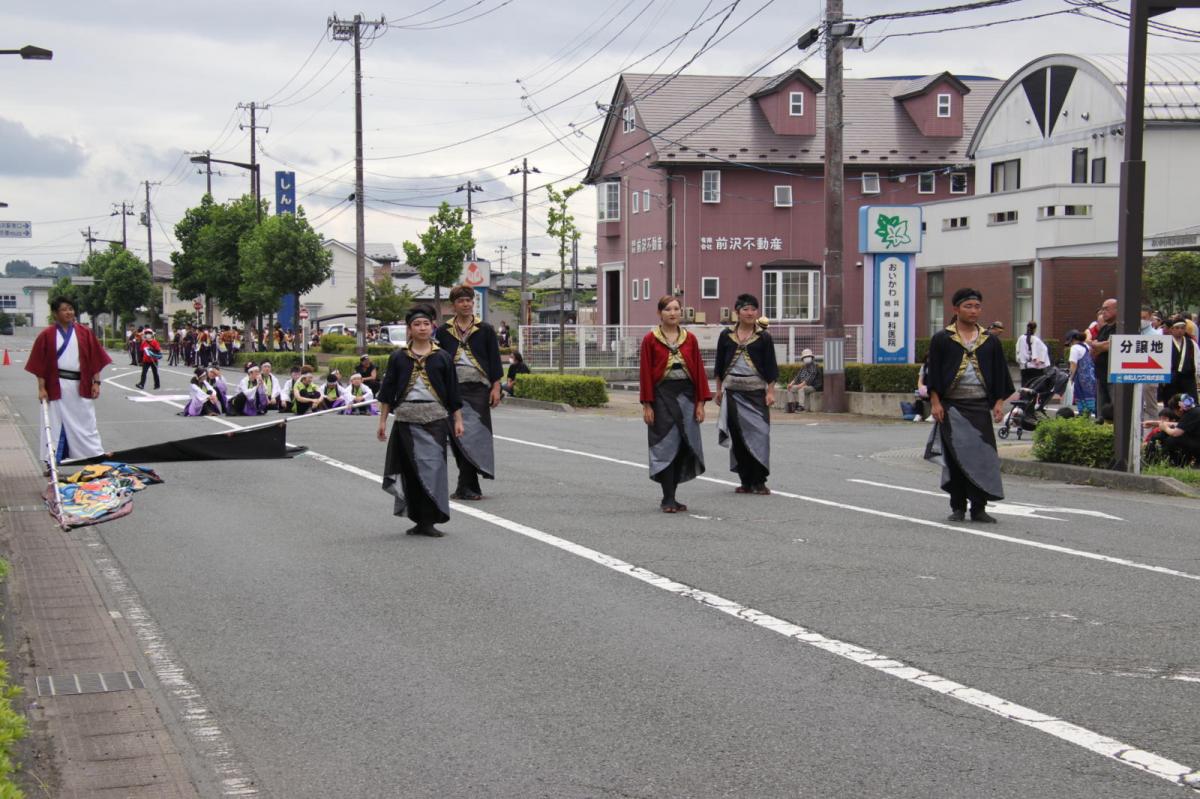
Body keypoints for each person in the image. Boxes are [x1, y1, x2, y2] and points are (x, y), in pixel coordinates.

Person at [924, 287, 1014, 524]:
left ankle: (979, 507)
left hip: (979, 406)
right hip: (952, 406)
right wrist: (935, 402)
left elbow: (1000, 373)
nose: (974, 311)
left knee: (982, 457)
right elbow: (933, 373)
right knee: (956, 458)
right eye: (968, 306)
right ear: (956, 309)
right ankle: (958, 506)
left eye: (977, 306)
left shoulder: (990, 341)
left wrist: (998, 403)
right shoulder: (943, 339)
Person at [377, 304, 464, 537]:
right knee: (411, 471)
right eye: (417, 324)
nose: (422, 328)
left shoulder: (442, 357)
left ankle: (431, 518)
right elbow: (387, 392)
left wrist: (458, 420)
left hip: (435, 419)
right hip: (406, 420)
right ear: (409, 329)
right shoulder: (398, 357)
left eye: (426, 324)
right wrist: (383, 422)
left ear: (432, 327)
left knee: (434, 469)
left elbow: (453, 393)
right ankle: (418, 520)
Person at [639, 295, 711, 513]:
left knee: (683, 446)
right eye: (668, 309)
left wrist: (700, 403)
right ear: (660, 313)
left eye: (676, 309)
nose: (672, 313)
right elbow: (645, 374)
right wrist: (647, 405)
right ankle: (667, 497)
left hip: (687, 397)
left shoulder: (690, 339)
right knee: (665, 445)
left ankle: (673, 495)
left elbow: (698, 371)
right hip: (662, 397)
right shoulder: (650, 339)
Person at [435, 285, 503, 501]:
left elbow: (494, 360)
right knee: (456, 437)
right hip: (452, 389)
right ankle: (467, 485)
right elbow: (436, 361)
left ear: (473, 303)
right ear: (453, 305)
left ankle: (468, 486)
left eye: (469, 300)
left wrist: (496, 387)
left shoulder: (485, 329)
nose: (466, 304)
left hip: (478, 389)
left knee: (475, 436)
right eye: (461, 301)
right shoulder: (444, 331)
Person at [26, 296, 112, 464]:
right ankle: (52, 460)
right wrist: (41, 388)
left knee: (86, 421)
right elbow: (40, 365)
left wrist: (96, 382)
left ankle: (93, 455)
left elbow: (94, 359)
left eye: (71, 309)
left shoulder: (85, 332)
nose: (69, 312)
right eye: (64, 309)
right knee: (54, 423)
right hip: (56, 385)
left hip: (81, 385)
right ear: (55, 313)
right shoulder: (46, 335)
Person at [714, 294, 778, 495]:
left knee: (761, 435)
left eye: (753, 309)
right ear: (737, 312)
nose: (750, 313)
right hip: (733, 392)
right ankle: (746, 480)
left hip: (756, 393)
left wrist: (770, 392)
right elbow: (719, 364)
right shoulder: (726, 336)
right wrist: (718, 390)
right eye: (746, 309)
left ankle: (759, 480)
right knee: (739, 438)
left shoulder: (764, 337)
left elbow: (771, 367)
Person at [1143, 393, 1200, 466]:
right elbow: (1180, 425)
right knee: (1160, 435)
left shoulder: (1191, 414)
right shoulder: (1195, 410)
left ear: (1179, 409)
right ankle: (1152, 461)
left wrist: (1165, 428)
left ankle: (1157, 462)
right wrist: (1155, 423)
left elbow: (1176, 433)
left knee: (1171, 440)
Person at [1088, 298, 1117, 419]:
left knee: (1115, 407)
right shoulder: (1104, 328)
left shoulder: (1120, 327)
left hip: (1114, 375)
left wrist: (1095, 344)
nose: (1103, 312)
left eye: (1106, 309)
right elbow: (1094, 350)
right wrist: (1098, 346)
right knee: (1101, 411)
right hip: (1101, 374)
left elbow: (1108, 345)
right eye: (1102, 309)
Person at [1159, 315, 1198, 405]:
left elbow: (1197, 359)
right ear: (1171, 329)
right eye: (1177, 328)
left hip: (1188, 378)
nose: (1180, 330)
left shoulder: (1191, 343)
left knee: (1191, 404)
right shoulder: (1165, 343)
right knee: (1171, 404)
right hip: (1171, 379)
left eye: (1182, 328)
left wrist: (1197, 374)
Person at [1066, 329, 1097, 417]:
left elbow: (1073, 364)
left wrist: (1070, 378)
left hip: (1081, 378)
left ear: (1072, 340)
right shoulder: (1086, 346)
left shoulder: (1074, 348)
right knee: (1091, 398)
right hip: (1091, 376)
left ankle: (1084, 417)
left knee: (1082, 400)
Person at [1015, 321, 1050, 387]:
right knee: (1035, 387)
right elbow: (1044, 350)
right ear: (1035, 329)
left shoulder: (1021, 338)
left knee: (1025, 386)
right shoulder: (1036, 340)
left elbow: (1018, 351)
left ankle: (1024, 397)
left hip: (1024, 367)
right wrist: (1040, 360)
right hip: (1036, 368)